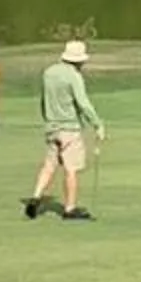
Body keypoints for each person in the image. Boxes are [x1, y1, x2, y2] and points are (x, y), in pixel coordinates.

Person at [26, 39, 106, 222]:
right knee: (71, 169)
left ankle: (36, 197)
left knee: (49, 165)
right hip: (69, 128)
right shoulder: (74, 76)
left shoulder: (49, 72)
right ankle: (70, 208)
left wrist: (47, 119)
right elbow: (83, 103)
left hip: (52, 127)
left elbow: (44, 100)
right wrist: (97, 124)